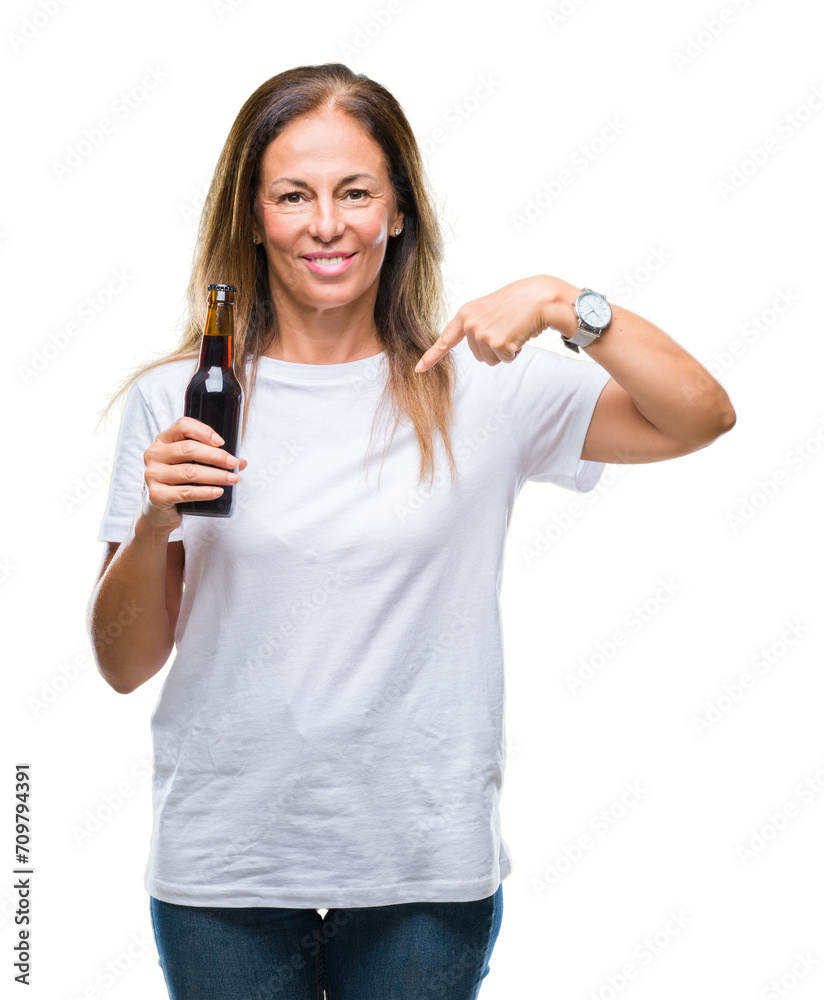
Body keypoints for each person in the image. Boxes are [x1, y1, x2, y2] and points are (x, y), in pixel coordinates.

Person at [86, 63, 736, 1000]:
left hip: (423, 871)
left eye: (355, 192)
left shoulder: (484, 385)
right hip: (225, 866)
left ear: (398, 211)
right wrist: (155, 522)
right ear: (253, 214)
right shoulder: (181, 399)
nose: (325, 224)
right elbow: (121, 663)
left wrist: (565, 303)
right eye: (293, 195)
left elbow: (701, 416)